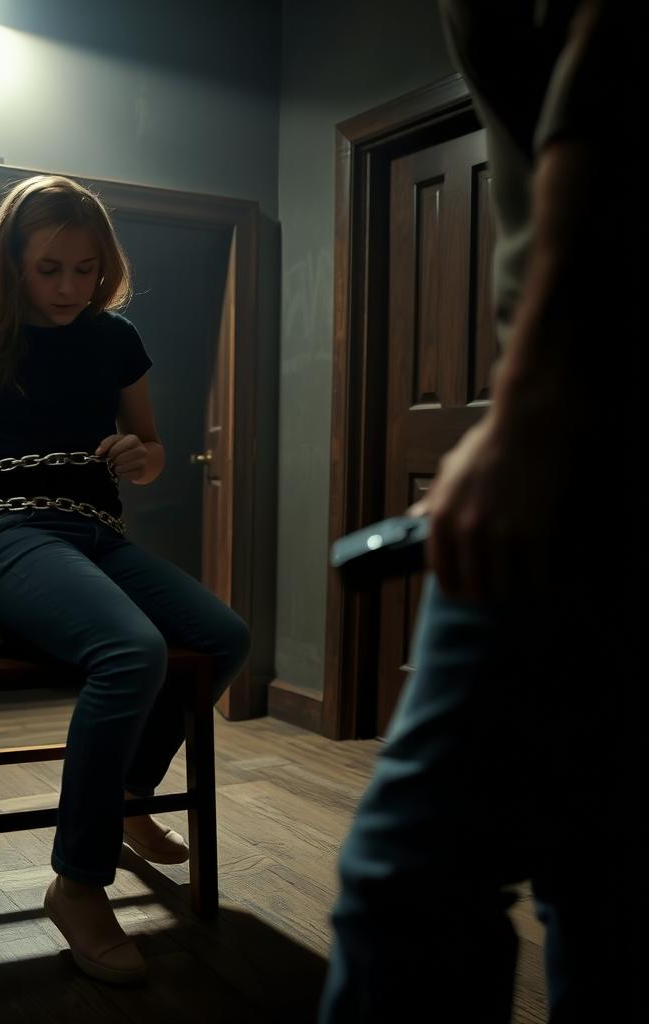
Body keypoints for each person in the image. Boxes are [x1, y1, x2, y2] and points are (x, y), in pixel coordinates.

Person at [320, 1, 638, 1021]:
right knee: (602, 874)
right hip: (574, 417)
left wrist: (532, 408)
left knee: (409, 881)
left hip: (593, 415)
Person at [0, 174, 251, 986]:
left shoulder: (117, 339)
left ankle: (125, 798)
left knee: (224, 635)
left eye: (85, 268)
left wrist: (141, 458)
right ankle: (78, 886)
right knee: (131, 650)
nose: (70, 286)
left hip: (96, 533)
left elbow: (147, 450)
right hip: (9, 535)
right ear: (12, 261)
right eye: (50, 269)